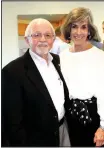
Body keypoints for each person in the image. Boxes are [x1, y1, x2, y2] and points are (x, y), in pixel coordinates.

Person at [2, 18, 70, 146]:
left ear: (53, 40)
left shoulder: (57, 61)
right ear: (27, 40)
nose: (43, 39)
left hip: (62, 131)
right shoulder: (12, 71)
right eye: (37, 35)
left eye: (48, 35)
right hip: (35, 140)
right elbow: (12, 122)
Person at [60, 7, 104, 147]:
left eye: (83, 27)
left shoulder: (99, 56)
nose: (78, 32)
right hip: (70, 117)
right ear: (68, 30)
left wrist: (103, 126)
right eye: (74, 27)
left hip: (93, 117)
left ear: (89, 31)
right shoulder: (63, 56)